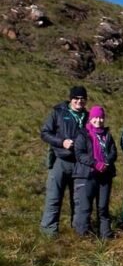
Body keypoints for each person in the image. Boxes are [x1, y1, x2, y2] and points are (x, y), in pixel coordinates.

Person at [40, 86, 89, 236]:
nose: (79, 101)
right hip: (60, 161)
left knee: (79, 200)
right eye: (76, 98)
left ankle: (78, 231)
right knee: (54, 197)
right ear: (71, 99)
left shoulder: (88, 117)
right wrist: (62, 142)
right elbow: (45, 133)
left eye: (82, 98)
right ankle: (49, 232)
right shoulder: (58, 112)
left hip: (80, 164)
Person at [73, 105, 117, 239]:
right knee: (85, 208)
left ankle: (106, 235)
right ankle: (84, 237)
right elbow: (80, 154)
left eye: (101, 117)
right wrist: (95, 163)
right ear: (91, 118)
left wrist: (107, 163)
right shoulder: (82, 134)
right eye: (96, 117)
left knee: (103, 208)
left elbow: (113, 152)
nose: (98, 120)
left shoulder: (107, 135)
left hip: (105, 176)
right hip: (86, 175)